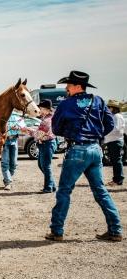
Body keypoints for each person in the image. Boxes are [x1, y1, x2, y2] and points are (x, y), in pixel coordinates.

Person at [45, 70, 122, 242]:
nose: (66, 88)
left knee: (64, 191)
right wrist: (96, 135)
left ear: (77, 86)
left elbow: (56, 129)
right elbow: (109, 123)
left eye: (69, 85)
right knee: (100, 191)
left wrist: (72, 133)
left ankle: (57, 231)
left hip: (77, 149)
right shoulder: (98, 101)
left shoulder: (65, 104)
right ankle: (115, 229)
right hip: (95, 149)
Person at [23, 99, 57, 192]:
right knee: (43, 165)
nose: (39, 109)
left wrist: (27, 130)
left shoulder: (46, 120)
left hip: (47, 144)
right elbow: (40, 132)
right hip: (47, 143)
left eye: (41, 108)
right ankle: (52, 185)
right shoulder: (48, 118)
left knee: (45, 166)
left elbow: (39, 134)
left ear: (46, 109)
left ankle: (49, 187)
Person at [1, 112, 25, 190]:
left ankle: (7, 179)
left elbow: (23, 127)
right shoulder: (2, 115)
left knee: (14, 164)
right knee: (5, 162)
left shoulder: (17, 116)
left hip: (14, 140)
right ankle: (8, 182)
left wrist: (17, 128)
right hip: (5, 141)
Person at [104, 100, 124, 186]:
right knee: (115, 160)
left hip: (115, 141)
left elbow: (116, 129)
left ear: (112, 108)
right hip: (113, 141)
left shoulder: (117, 116)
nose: (108, 109)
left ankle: (118, 179)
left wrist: (105, 132)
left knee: (116, 161)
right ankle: (117, 179)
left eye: (109, 107)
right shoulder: (115, 116)